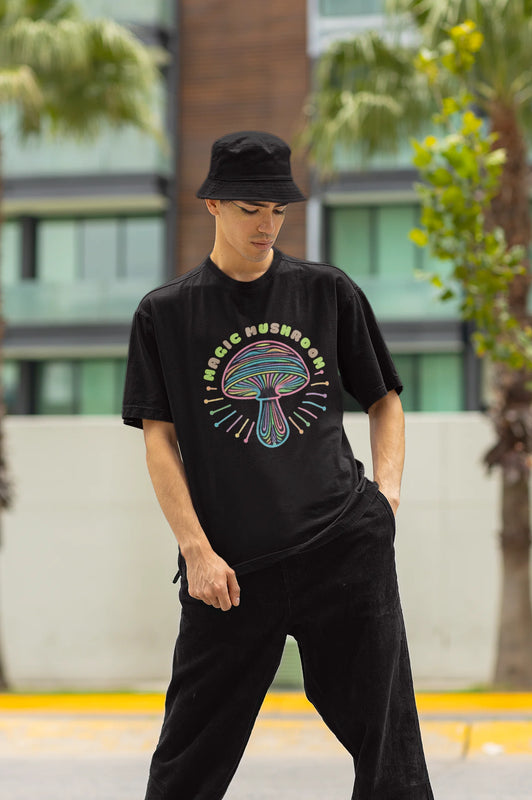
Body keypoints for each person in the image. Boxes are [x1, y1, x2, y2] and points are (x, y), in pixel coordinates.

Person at [122, 130, 435, 800]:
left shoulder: (326, 293)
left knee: (390, 752)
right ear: (210, 205)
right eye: (248, 210)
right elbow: (158, 440)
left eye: (277, 211)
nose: (265, 224)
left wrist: (385, 499)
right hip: (229, 572)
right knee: (186, 761)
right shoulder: (166, 314)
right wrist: (196, 551)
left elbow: (384, 399)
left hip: (342, 550)